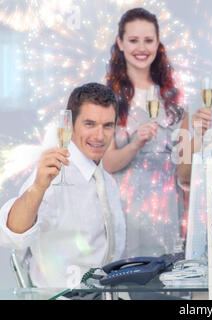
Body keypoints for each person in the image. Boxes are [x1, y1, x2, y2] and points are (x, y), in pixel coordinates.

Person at [0, 83, 125, 287]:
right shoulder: (52, 177)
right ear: (70, 126)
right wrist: (38, 188)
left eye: (107, 125)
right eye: (90, 124)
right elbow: (12, 236)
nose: (99, 136)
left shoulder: (107, 181)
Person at [103, 8, 188, 258]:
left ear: (158, 42)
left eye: (148, 40)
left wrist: (197, 136)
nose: (142, 48)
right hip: (124, 213)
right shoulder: (108, 98)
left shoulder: (175, 100)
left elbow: (185, 168)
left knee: (167, 285)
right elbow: (108, 163)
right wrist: (134, 144)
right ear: (120, 43)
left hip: (169, 213)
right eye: (133, 40)